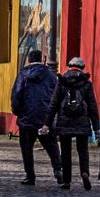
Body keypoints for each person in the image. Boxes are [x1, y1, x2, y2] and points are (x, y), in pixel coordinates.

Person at [42, 57, 100, 190]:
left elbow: (53, 104)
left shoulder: (62, 81)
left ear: (69, 66)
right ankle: (84, 172)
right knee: (83, 150)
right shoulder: (86, 83)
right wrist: (96, 128)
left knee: (66, 152)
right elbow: (92, 106)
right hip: (82, 122)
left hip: (64, 122)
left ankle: (67, 181)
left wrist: (47, 123)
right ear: (82, 67)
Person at [10, 49, 62, 186]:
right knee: (51, 146)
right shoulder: (51, 75)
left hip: (27, 118)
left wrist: (17, 111)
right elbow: (57, 95)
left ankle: (30, 176)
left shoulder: (23, 74)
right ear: (42, 59)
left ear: (29, 60)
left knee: (26, 148)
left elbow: (16, 94)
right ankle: (58, 170)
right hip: (45, 118)